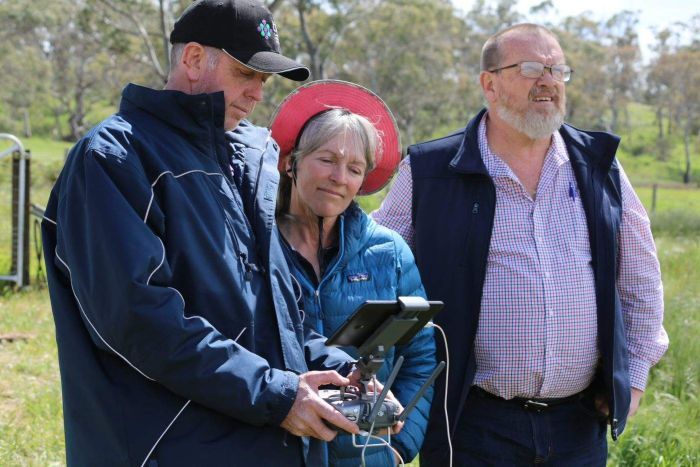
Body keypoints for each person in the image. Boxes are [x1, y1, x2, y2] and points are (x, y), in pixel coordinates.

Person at [41, 1, 365, 465]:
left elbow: (279, 311)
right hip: (166, 447)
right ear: (193, 58)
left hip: (267, 443)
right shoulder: (114, 157)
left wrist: (341, 373)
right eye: (245, 74)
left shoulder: (252, 159)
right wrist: (275, 394)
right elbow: (139, 319)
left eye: (265, 80)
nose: (257, 93)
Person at [373, 23, 669, 466]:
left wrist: (636, 379)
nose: (549, 80)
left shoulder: (600, 167)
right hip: (470, 423)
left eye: (558, 70)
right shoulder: (431, 170)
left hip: (579, 426)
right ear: (489, 84)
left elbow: (641, 280)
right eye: (532, 68)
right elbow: (374, 270)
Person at [270, 80, 437, 466]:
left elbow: (420, 356)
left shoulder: (388, 252)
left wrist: (397, 447)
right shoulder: (254, 245)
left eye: (354, 168)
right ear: (291, 161)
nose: (339, 177)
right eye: (326, 160)